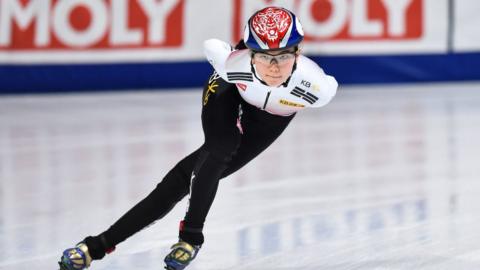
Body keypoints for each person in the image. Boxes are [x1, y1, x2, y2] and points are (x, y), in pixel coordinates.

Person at [58, 6, 338, 270]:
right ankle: (191, 237)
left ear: (299, 52)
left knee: (186, 178)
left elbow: (329, 87)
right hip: (228, 91)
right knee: (221, 146)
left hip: (271, 118)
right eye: (264, 56)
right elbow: (211, 46)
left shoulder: (315, 88)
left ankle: (95, 246)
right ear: (250, 53)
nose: (274, 67)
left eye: (283, 56)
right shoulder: (231, 64)